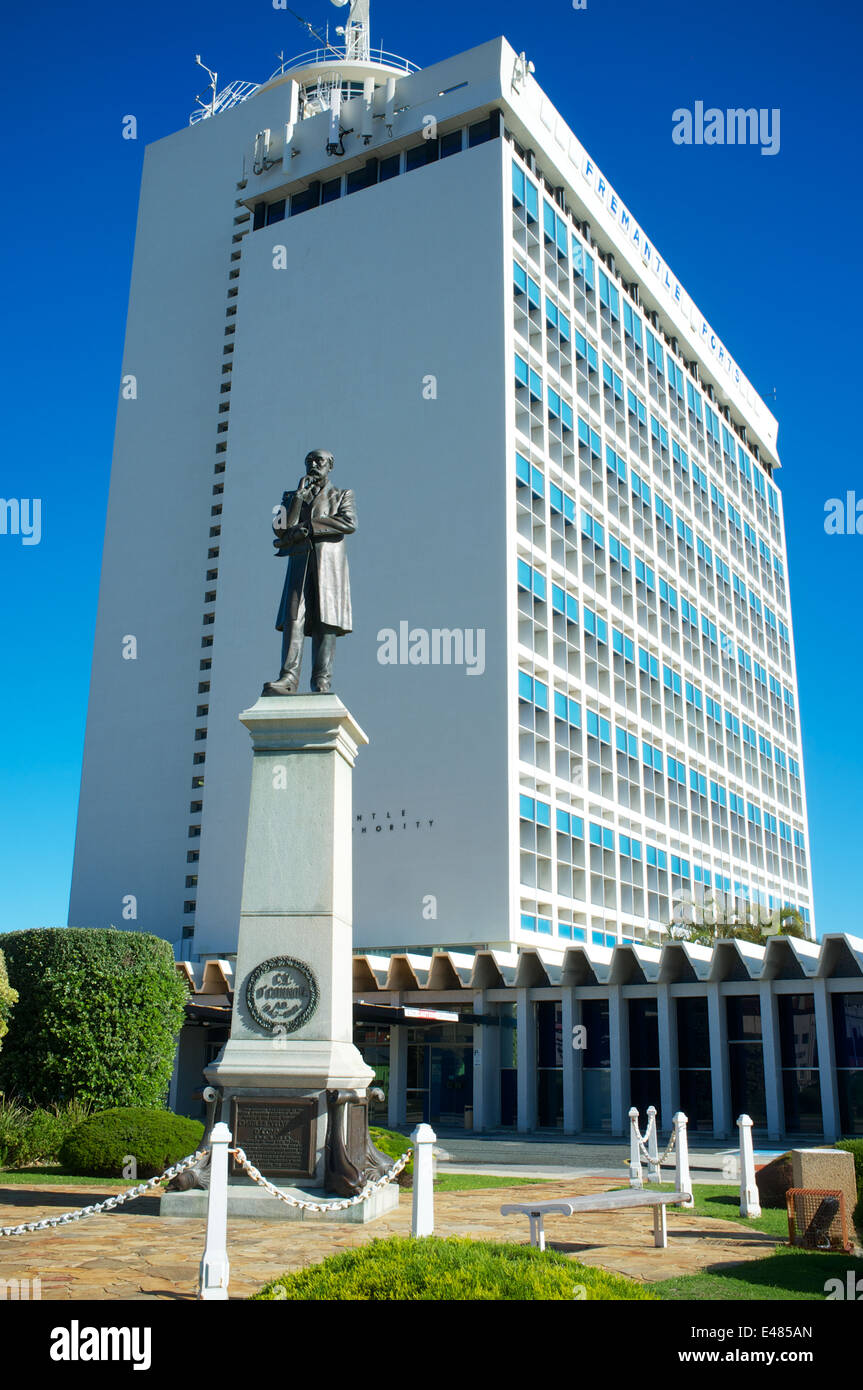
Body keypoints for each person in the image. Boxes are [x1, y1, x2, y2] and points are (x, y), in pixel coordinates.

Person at [262, 449, 356, 696]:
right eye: (309, 461)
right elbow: (281, 529)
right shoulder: (290, 496)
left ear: (330, 465)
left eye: (319, 461)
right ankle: (288, 677)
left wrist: (309, 527)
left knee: (325, 622)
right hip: (299, 564)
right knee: (294, 619)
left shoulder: (342, 494)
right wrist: (299, 498)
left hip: (328, 567)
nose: (314, 465)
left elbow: (349, 522)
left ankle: (321, 681)